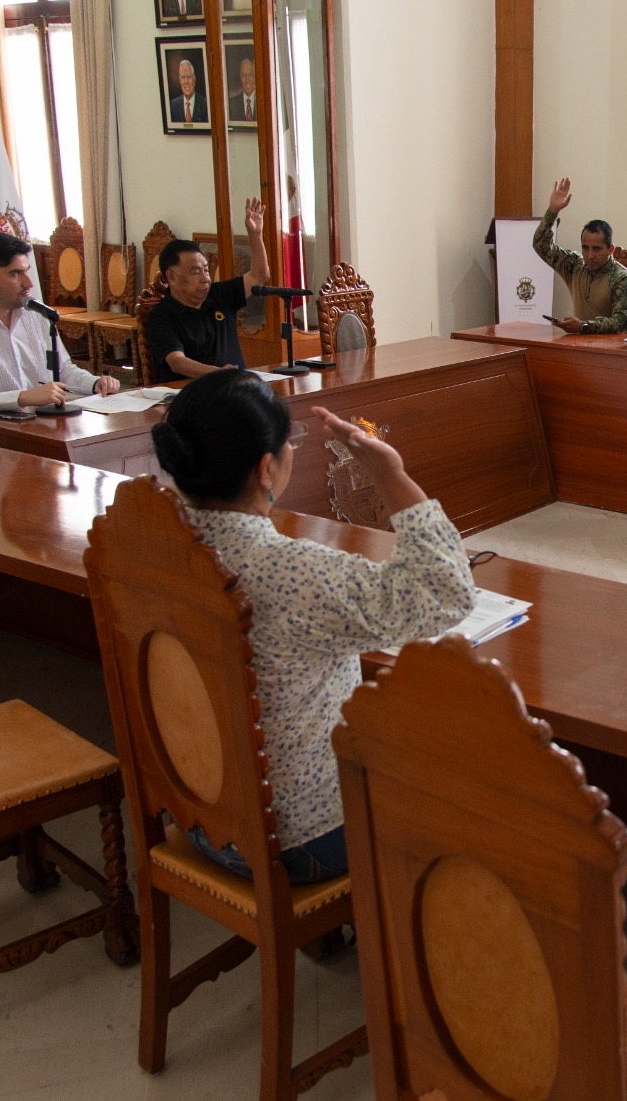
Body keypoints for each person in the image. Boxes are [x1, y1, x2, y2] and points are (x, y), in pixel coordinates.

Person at [152, 371, 475, 882]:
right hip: (300, 838)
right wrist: (390, 474)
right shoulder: (288, 571)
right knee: (462, 764)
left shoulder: (155, 545)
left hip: (196, 812)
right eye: (289, 443)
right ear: (266, 468)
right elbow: (448, 592)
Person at [0, 230, 119, 416]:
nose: (29, 283)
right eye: (15, 273)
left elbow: (62, 370)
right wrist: (23, 397)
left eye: (26, 271)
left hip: (43, 423)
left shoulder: (36, 312)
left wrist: (94, 383)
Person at [146, 197, 269, 379]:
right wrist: (219, 374)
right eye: (195, 272)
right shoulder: (162, 315)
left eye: (206, 270)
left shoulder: (219, 294)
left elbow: (259, 275)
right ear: (171, 277)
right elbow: (177, 362)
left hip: (237, 386)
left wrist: (256, 235)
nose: (205, 278)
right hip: (194, 391)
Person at [532, 178, 627, 334]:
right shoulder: (575, 265)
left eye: (597, 249)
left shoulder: (623, 278)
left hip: (611, 347)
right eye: (585, 248)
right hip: (577, 342)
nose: (590, 255)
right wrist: (552, 212)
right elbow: (540, 245)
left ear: (610, 249)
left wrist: (584, 326)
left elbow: (621, 322)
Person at [171, 58, 206, 125]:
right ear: (179, 80)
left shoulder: (205, 104)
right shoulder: (172, 106)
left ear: (194, 79)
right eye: (183, 77)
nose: (186, 81)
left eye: (189, 77)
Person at [229, 57, 258, 122]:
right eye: (244, 75)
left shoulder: (263, 101)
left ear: (255, 76)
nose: (247, 80)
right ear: (240, 77)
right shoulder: (232, 104)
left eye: (250, 75)